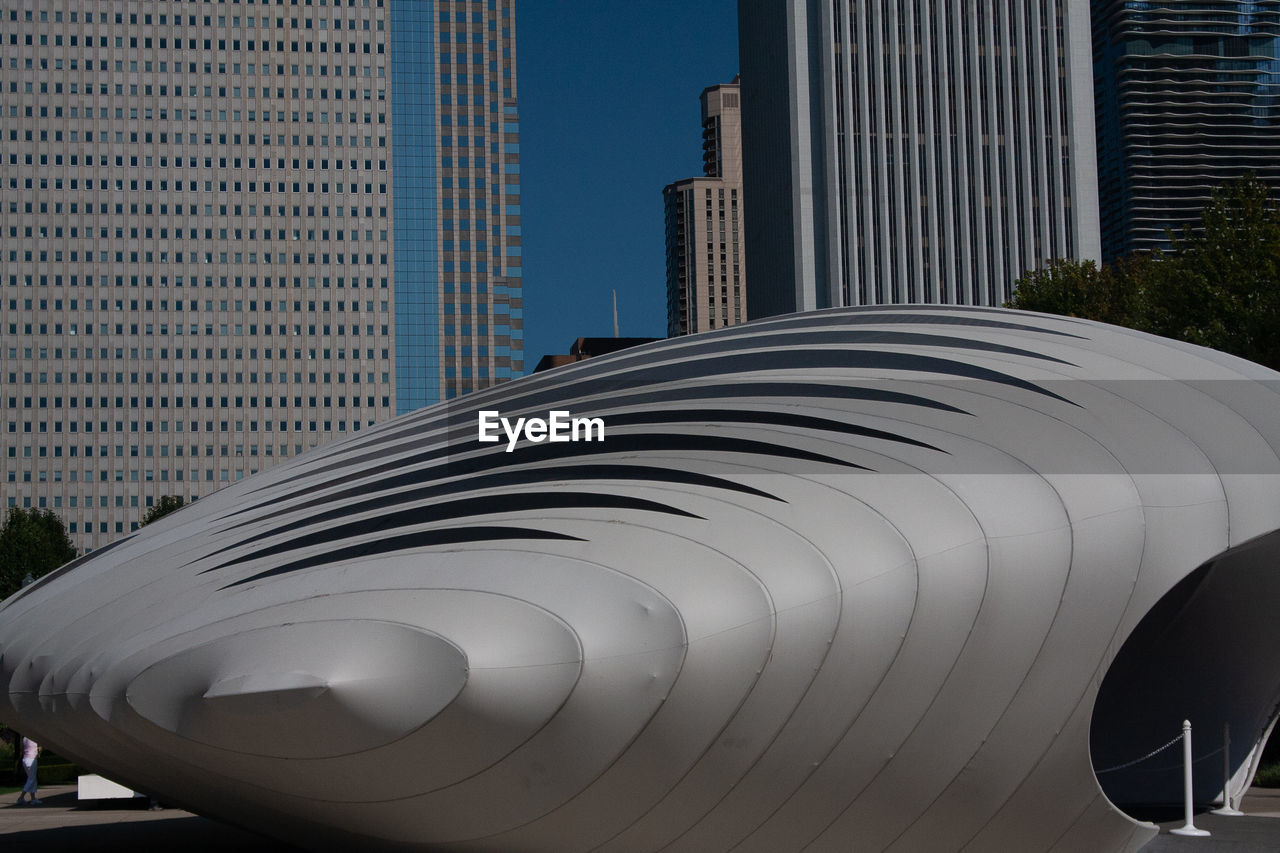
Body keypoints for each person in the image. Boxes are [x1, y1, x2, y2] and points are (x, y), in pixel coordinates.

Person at [15, 736, 39, 805]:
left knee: (32, 779)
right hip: (31, 759)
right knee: (31, 779)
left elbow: (23, 749)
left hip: (25, 759)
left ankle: (33, 799)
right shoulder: (33, 737)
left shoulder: (24, 738)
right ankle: (21, 797)